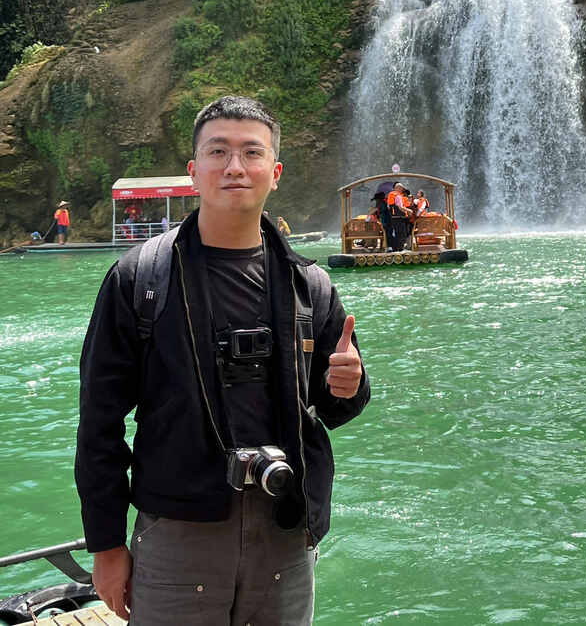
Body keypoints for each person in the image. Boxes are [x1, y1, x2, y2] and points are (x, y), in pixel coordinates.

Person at [75, 95, 370, 625]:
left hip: (284, 530)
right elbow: (99, 423)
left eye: (251, 153)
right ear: (194, 171)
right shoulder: (139, 281)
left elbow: (333, 407)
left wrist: (351, 384)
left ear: (274, 172)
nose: (235, 166)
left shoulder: (311, 285)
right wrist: (106, 546)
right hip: (176, 533)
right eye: (218, 152)